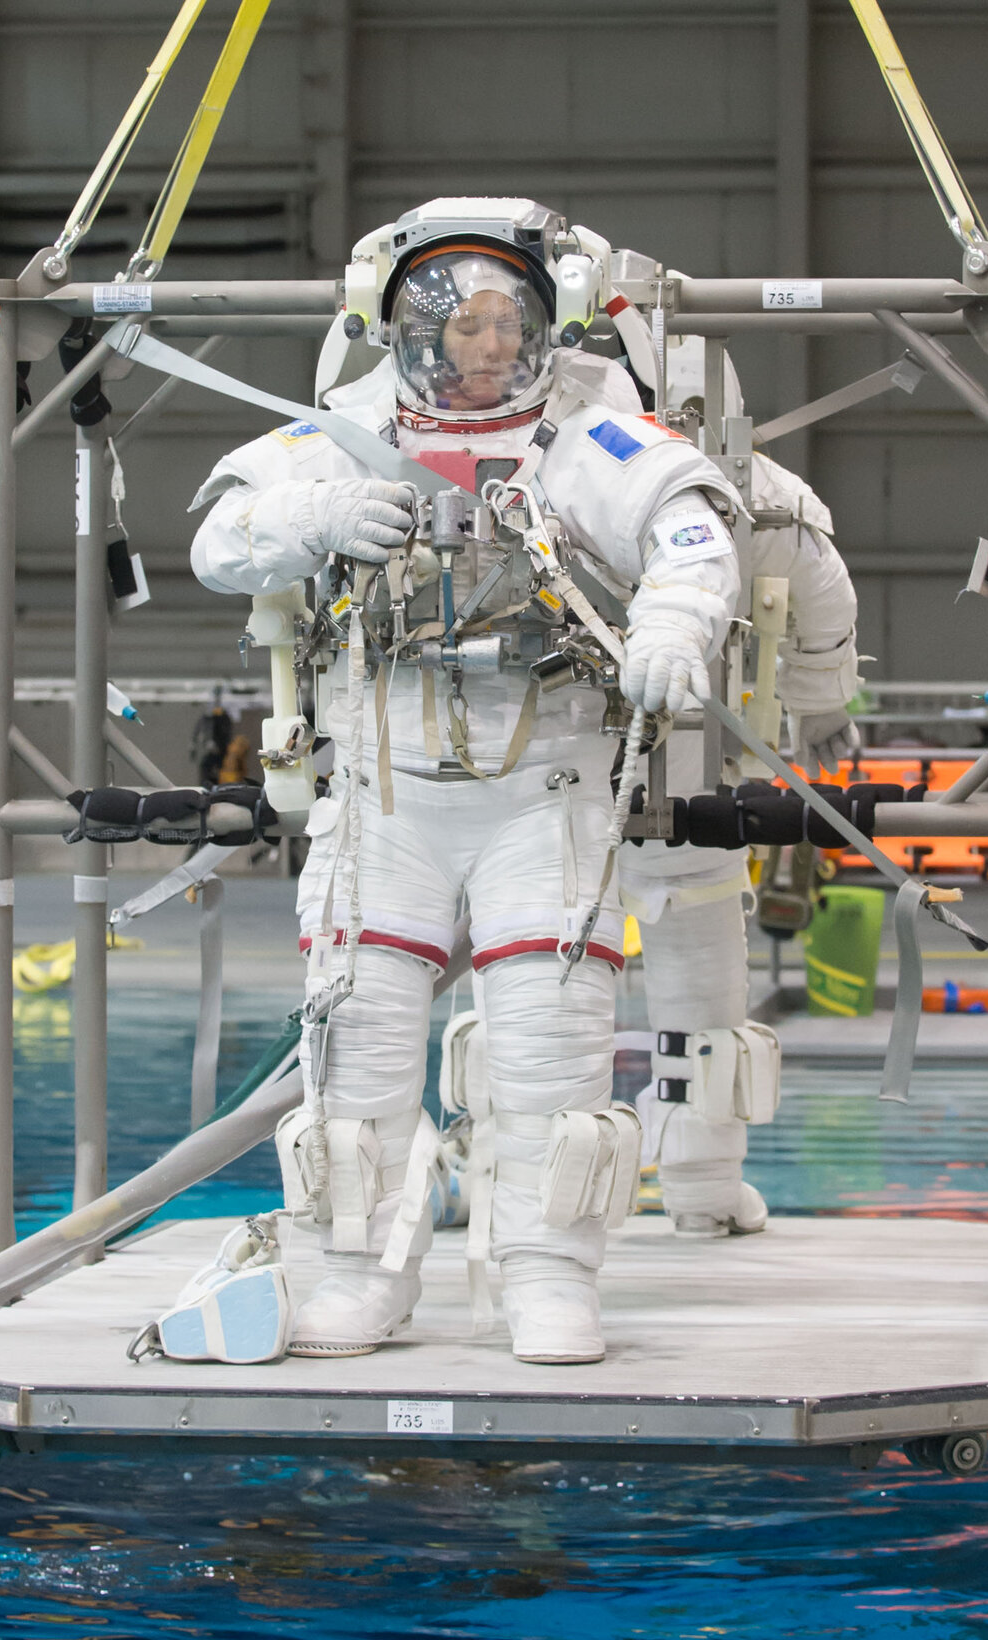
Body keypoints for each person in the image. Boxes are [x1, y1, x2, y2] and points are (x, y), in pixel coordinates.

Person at [191, 198, 742, 1366]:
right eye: (467, 326)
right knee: (357, 1047)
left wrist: (675, 629)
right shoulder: (339, 436)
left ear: (547, 327)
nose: (492, 348)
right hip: (384, 793)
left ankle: (547, 1280)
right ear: (410, 331)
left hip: (540, 789)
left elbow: (694, 531)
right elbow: (222, 536)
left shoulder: (587, 434)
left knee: (551, 1047)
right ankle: (356, 1275)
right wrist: (320, 514)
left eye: (511, 324)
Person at [622, 338, 861, 1234]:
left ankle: (692, 1188)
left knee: (600, 986)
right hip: (631, 778)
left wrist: (818, 709)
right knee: (588, 996)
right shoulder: (757, 497)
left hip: (655, 777)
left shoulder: (753, 499)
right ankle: (694, 1192)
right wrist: (821, 706)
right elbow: (822, 599)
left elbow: (817, 593)